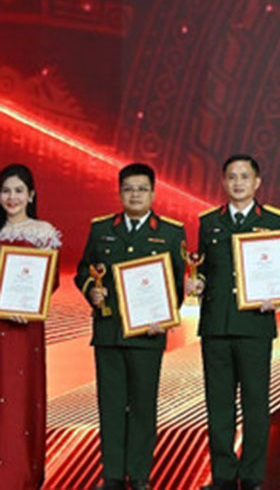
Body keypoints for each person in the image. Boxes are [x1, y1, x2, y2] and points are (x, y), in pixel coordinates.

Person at [74, 163, 187, 490]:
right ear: (119, 192)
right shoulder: (101, 229)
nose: (135, 195)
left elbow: (177, 284)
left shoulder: (169, 232)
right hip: (109, 332)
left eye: (141, 189)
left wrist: (163, 315)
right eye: (128, 189)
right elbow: (83, 271)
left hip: (147, 334)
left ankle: (139, 475)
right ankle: (111, 475)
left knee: (142, 405)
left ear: (153, 193)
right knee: (110, 405)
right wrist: (91, 292)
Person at [187, 154, 280, 490]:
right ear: (223, 181)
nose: (238, 183)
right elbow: (201, 266)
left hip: (255, 325)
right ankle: (222, 476)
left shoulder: (275, 221)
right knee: (218, 404)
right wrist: (197, 282)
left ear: (257, 182)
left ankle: (251, 475)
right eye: (232, 177)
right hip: (216, 324)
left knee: (256, 403)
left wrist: (278, 293)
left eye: (244, 177)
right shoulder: (209, 222)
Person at [0, 163, 60, 490]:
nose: (12, 197)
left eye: (19, 191)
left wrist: (28, 302)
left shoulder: (44, 232)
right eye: (6, 191)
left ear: (31, 195)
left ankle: (22, 476)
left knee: (22, 400)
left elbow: (49, 283)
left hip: (26, 333)